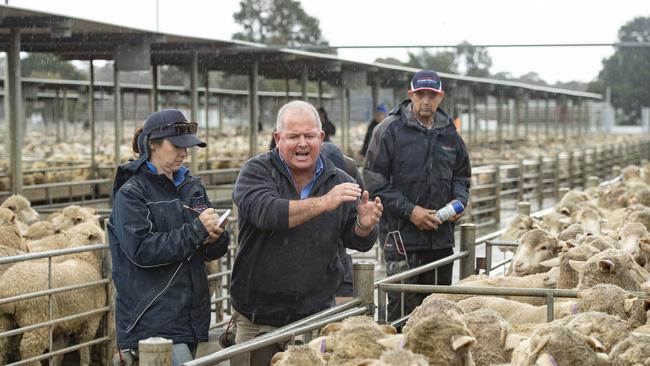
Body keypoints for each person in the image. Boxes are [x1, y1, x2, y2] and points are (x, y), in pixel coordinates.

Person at [231, 100, 382, 344]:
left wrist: (364, 225)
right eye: (293, 136)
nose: (302, 143)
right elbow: (268, 213)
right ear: (278, 138)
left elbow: (356, 240)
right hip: (258, 318)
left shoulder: (340, 179)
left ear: (321, 137)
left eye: (309, 135)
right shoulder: (256, 172)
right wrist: (323, 202)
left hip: (315, 317)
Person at [108, 109, 230, 365]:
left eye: (187, 147)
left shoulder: (191, 186)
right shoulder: (132, 193)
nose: (184, 153)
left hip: (191, 316)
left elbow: (207, 251)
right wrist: (197, 231)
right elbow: (141, 250)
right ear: (153, 144)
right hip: (151, 319)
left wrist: (215, 238)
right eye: (176, 146)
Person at [362, 70, 471, 322]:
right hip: (402, 240)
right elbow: (374, 181)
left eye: (431, 95)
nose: (425, 100)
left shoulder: (449, 134)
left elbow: (462, 176)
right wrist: (410, 211)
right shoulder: (389, 130)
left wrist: (458, 202)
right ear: (410, 94)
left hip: (440, 239)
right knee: (402, 312)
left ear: (440, 97)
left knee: (439, 311)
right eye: (420, 94)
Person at [320, 141, 364, 302]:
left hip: (339, 252)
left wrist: (363, 224)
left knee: (343, 312)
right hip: (311, 253)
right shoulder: (305, 172)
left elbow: (360, 201)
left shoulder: (350, 169)